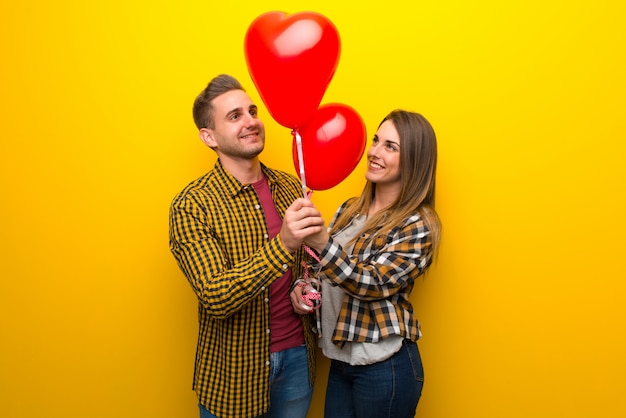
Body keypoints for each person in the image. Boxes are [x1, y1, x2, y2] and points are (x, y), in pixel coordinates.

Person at [169, 74, 323, 418]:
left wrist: (307, 291)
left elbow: (309, 267)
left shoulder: (290, 186)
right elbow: (215, 295)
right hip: (235, 373)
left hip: (299, 361)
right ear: (209, 136)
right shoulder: (192, 205)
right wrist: (282, 244)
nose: (251, 121)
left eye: (252, 111)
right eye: (234, 115)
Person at [290, 109, 442, 418]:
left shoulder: (418, 224)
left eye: (390, 146)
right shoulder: (350, 210)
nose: (373, 151)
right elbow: (325, 271)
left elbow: (370, 283)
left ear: (413, 159)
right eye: (376, 140)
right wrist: (304, 289)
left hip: (385, 367)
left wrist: (323, 243)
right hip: (341, 362)